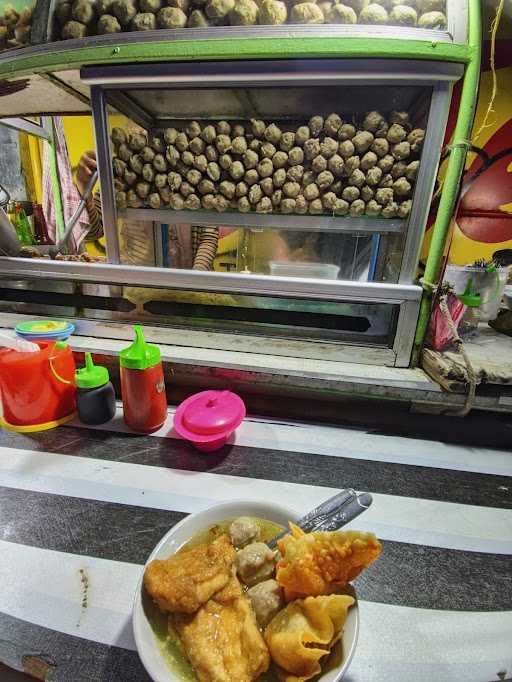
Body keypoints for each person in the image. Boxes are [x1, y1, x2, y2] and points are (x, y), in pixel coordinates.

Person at [76, 149, 219, 270]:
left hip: (187, 280)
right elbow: (93, 232)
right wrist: (84, 186)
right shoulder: (124, 168)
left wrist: (195, 285)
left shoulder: (193, 166)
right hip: (137, 280)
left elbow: (207, 238)